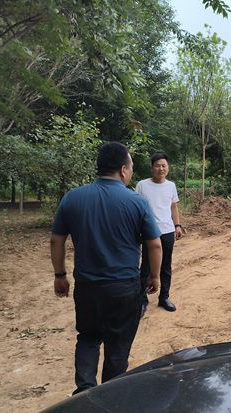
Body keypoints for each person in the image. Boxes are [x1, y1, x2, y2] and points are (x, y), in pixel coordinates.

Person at [50, 142, 162, 394]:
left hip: (87, 287)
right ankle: (110, 396)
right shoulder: (137, 201)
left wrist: (60, 275)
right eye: (131, 167)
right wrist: (154, 276)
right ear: (123, 169)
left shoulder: (73, 197)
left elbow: (56, 240)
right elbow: (154, 245)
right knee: (118, 346)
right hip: (123, 288)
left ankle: (85, 390)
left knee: (88, 337)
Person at [136, 153, 183, 313]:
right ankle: (142, 299)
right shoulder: (142, 185)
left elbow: (173, 207)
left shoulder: (171, 186)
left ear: (168, 168)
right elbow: (137, 208)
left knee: (166, 266)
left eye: (164, 165)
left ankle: (164, 297)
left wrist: (177, 225)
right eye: (157, 165)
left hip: (167, 231)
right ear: (152, 168)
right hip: (148, 232)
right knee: (146, 267)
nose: (161, 168)